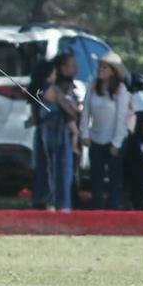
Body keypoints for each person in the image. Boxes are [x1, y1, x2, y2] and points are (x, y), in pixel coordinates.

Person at [80, 51, 132, 210]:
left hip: (113, 140)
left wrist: (116, 143)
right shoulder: (93, 85)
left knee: (114, 179)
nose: (100, 70)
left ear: (112, 71)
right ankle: (97, 210)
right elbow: (86, 111)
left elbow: (121, 117)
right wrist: (85, 133)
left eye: (104, 67)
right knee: (96, 178)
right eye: (99, 66)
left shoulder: (121, 90)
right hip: (96, 138)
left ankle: (113, 210)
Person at [31, 53, 80, 211]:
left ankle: (47, 201)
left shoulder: (38, 89)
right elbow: (71, 111)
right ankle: (61, 204)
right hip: (56, 130)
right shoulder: (50, 89)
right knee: (60, 168)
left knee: (47, 167)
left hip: (46, 130)